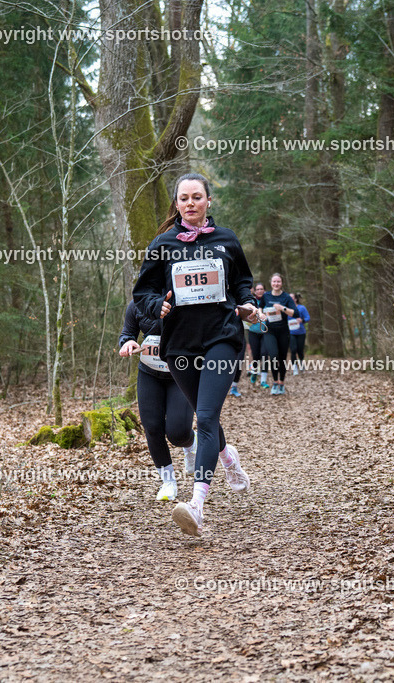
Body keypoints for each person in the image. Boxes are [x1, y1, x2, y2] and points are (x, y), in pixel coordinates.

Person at [133, 172, 260, 537]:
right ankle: (228, 458)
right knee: (206, 416)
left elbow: (242, 282)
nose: (191, 203)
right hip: (179, 346)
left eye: (197, 197)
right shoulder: (162, 244)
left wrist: (249, 304)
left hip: (221, 338)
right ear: (176, 204)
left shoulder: (226, 239)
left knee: (204, 417)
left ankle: (197, 505)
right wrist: (158, 305)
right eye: (184, 198)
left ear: (208, 202)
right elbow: (142, 292)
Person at [118, 301, 197, 502]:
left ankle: (191, 442)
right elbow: (127, 333)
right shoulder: (136, 305)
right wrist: (127, 343)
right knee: (152, 427)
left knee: (177, 434)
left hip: (180, 375)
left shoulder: (183, 300)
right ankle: (168, 481)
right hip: (149, 374)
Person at [261, 273, 297, 394]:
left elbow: (294, 313)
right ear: (271, 283)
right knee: (273, 355)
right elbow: (260, 307)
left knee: (282, 358)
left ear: (282, 283)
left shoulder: (286, 297)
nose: (276, 284)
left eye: (278, 282)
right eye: (274, 282)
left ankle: (281, 382)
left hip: (283, 331)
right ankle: (275, 382)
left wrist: (282, 308)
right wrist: (261, 314)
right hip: (269, 330)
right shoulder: (266, 296)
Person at [245, 283, 269, 389]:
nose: (259, 291)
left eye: (261, 289)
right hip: (253, 332)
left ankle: (263, 381)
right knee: (256, 356)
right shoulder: (252, 302)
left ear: (264, 290)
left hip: (266, 332)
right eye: (258, 289)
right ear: (254, 291)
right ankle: (254, 372)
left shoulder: (268, 301)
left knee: (264, 355)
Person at [289, 292, 309, 375]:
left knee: (300, 350)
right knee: (293, 350)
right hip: (290, 332)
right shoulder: (286, 309)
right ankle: (294, 368)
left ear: (295, 299)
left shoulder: (301, 308)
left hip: (301, 332)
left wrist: (302, 320)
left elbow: (308, 317)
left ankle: (301, 363)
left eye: (292, 297)